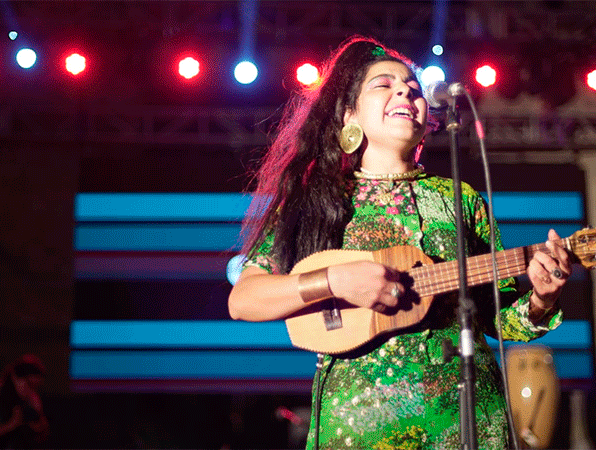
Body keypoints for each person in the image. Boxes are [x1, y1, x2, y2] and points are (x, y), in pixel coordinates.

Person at [228, 36, 571, 449]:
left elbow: (498, 319)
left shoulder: (461, 200)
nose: (406, 91)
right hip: (361, 424)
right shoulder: (316, 201)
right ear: (349, 114)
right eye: (384, 84)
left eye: (412, 87)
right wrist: (335, 281)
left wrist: (542, 298)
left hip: (468, 420)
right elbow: (244, 300)